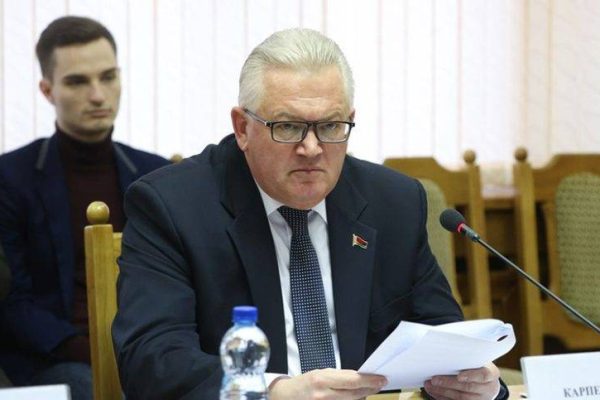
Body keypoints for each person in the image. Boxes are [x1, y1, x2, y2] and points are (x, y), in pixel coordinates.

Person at [112, 28, 508, 400]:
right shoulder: (172, 207)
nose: (312, 148)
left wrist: (479, 383)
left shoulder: (394, 202)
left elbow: (446, 337)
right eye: (288, 127)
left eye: (331, 126)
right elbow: (152, 359)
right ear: (242, 127)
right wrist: (274, 392)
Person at [0, 16, 169, 398]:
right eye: (78, 81)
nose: (98, 95)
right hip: (52, 358)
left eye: (108, 77)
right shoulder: (10, 179)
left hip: (146, 350)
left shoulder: (156, 174)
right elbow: (12, 303)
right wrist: (101, 353)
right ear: (48, 91)